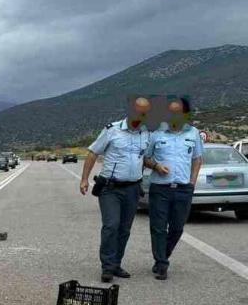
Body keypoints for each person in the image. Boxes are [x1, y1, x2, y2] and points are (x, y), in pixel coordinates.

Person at [80, 97, 152, 282]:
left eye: (145, 113)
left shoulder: (146, 134)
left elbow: (143, 158)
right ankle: (107, 266)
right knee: (111, 225)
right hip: (110, 188)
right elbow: (93, 152)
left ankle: (116, 263)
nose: (141, 116)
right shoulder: (112, 130)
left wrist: (158, 166)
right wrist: (84, 179)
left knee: (124, 229)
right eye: (138, 112)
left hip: (133, 188)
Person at [143, 98, 203, 280]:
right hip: (160, 189)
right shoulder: (156, 134)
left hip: (183, 189)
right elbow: (145, 157)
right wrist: (156, 166)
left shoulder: (193, 134)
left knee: (177, 228)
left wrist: (192, 183)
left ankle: (163, 255)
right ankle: (162, 264)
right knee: (158, 228)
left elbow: (197, 159)